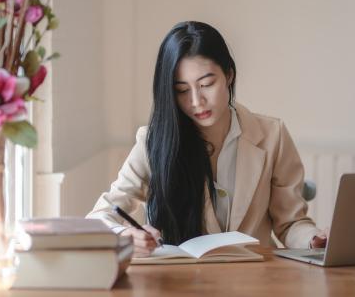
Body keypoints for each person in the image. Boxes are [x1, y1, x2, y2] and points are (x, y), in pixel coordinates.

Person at [87, 21, 327, 257]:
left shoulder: (273, 135)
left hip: (255, 278)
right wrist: (123, 234)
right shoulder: (153, 141)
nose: (196, 101)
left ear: (229, 75)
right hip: (181, 280)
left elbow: (291, 223)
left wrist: (313, 239)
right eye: (182, 90)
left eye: (206, 84)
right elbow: (101, 215)